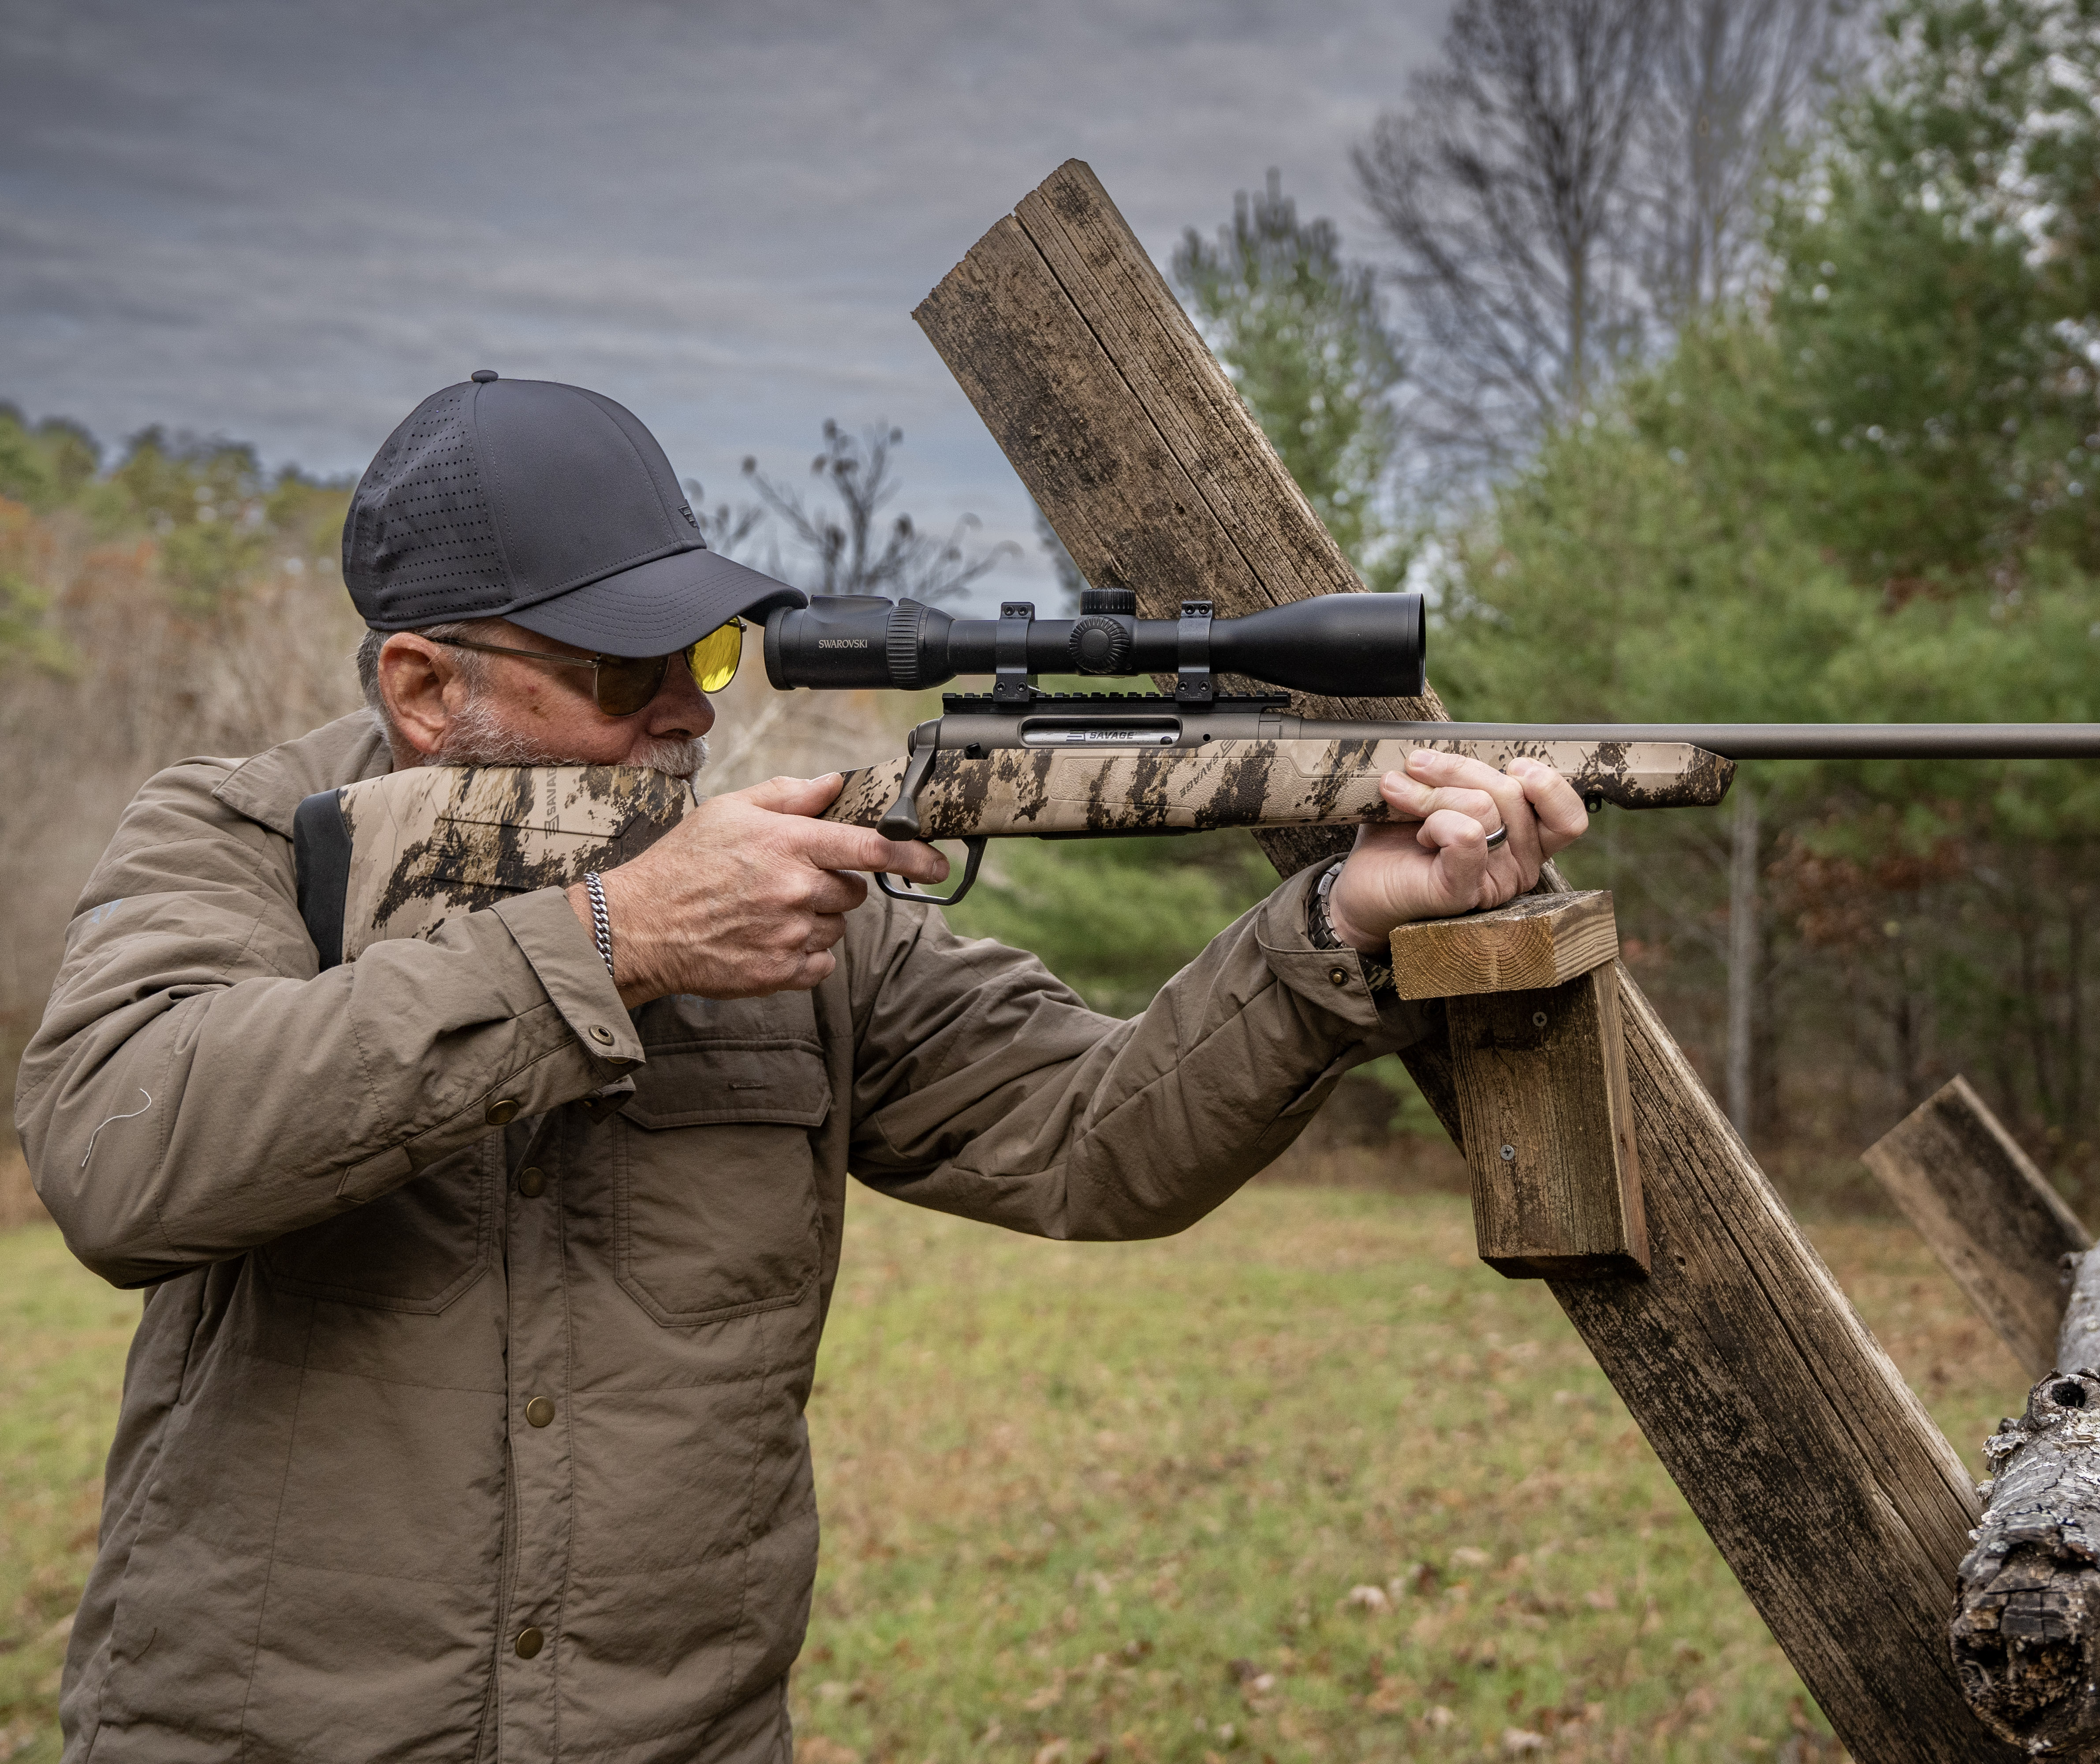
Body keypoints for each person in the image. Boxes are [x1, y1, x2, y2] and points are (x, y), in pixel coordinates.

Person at [11, 373, 1589, 1762]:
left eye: (704, 651)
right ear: (427, 689)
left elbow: (1093, 1143)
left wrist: (1337, 919)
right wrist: (612, 940)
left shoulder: (792, 893)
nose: (691, 711)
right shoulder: (237, 840)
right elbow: (119, 1156)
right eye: (629, 671)